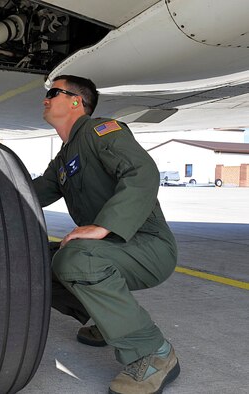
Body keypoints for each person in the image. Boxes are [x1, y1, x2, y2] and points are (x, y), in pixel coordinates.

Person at [33, 75, 180, 394]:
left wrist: (105, 226)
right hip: (112, 249)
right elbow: (30, 194)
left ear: (76, 101)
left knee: (75, 258)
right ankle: (107, 320)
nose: (45, 99)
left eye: (53, 92)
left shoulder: (101, 131)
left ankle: (153, 353)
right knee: (39, 262)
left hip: (148, 246)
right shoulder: (63, 159)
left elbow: (143, 171)